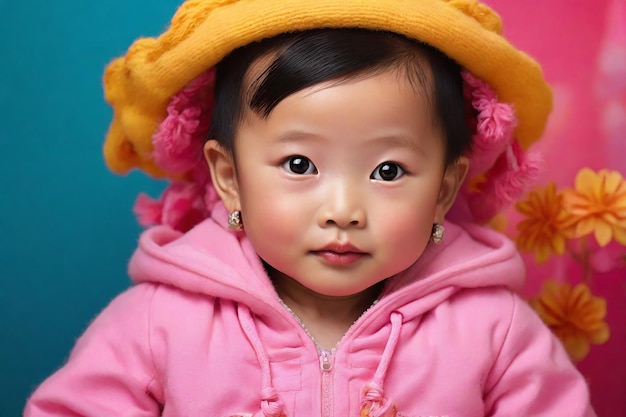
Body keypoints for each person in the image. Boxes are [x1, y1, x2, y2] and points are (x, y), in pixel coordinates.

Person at [24, 0, 597, 416]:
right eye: (299, 166)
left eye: (388, 171)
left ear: (445, 191)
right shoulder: (160, 324)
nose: (344, 210)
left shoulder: (492, 330)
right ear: (230, 178)